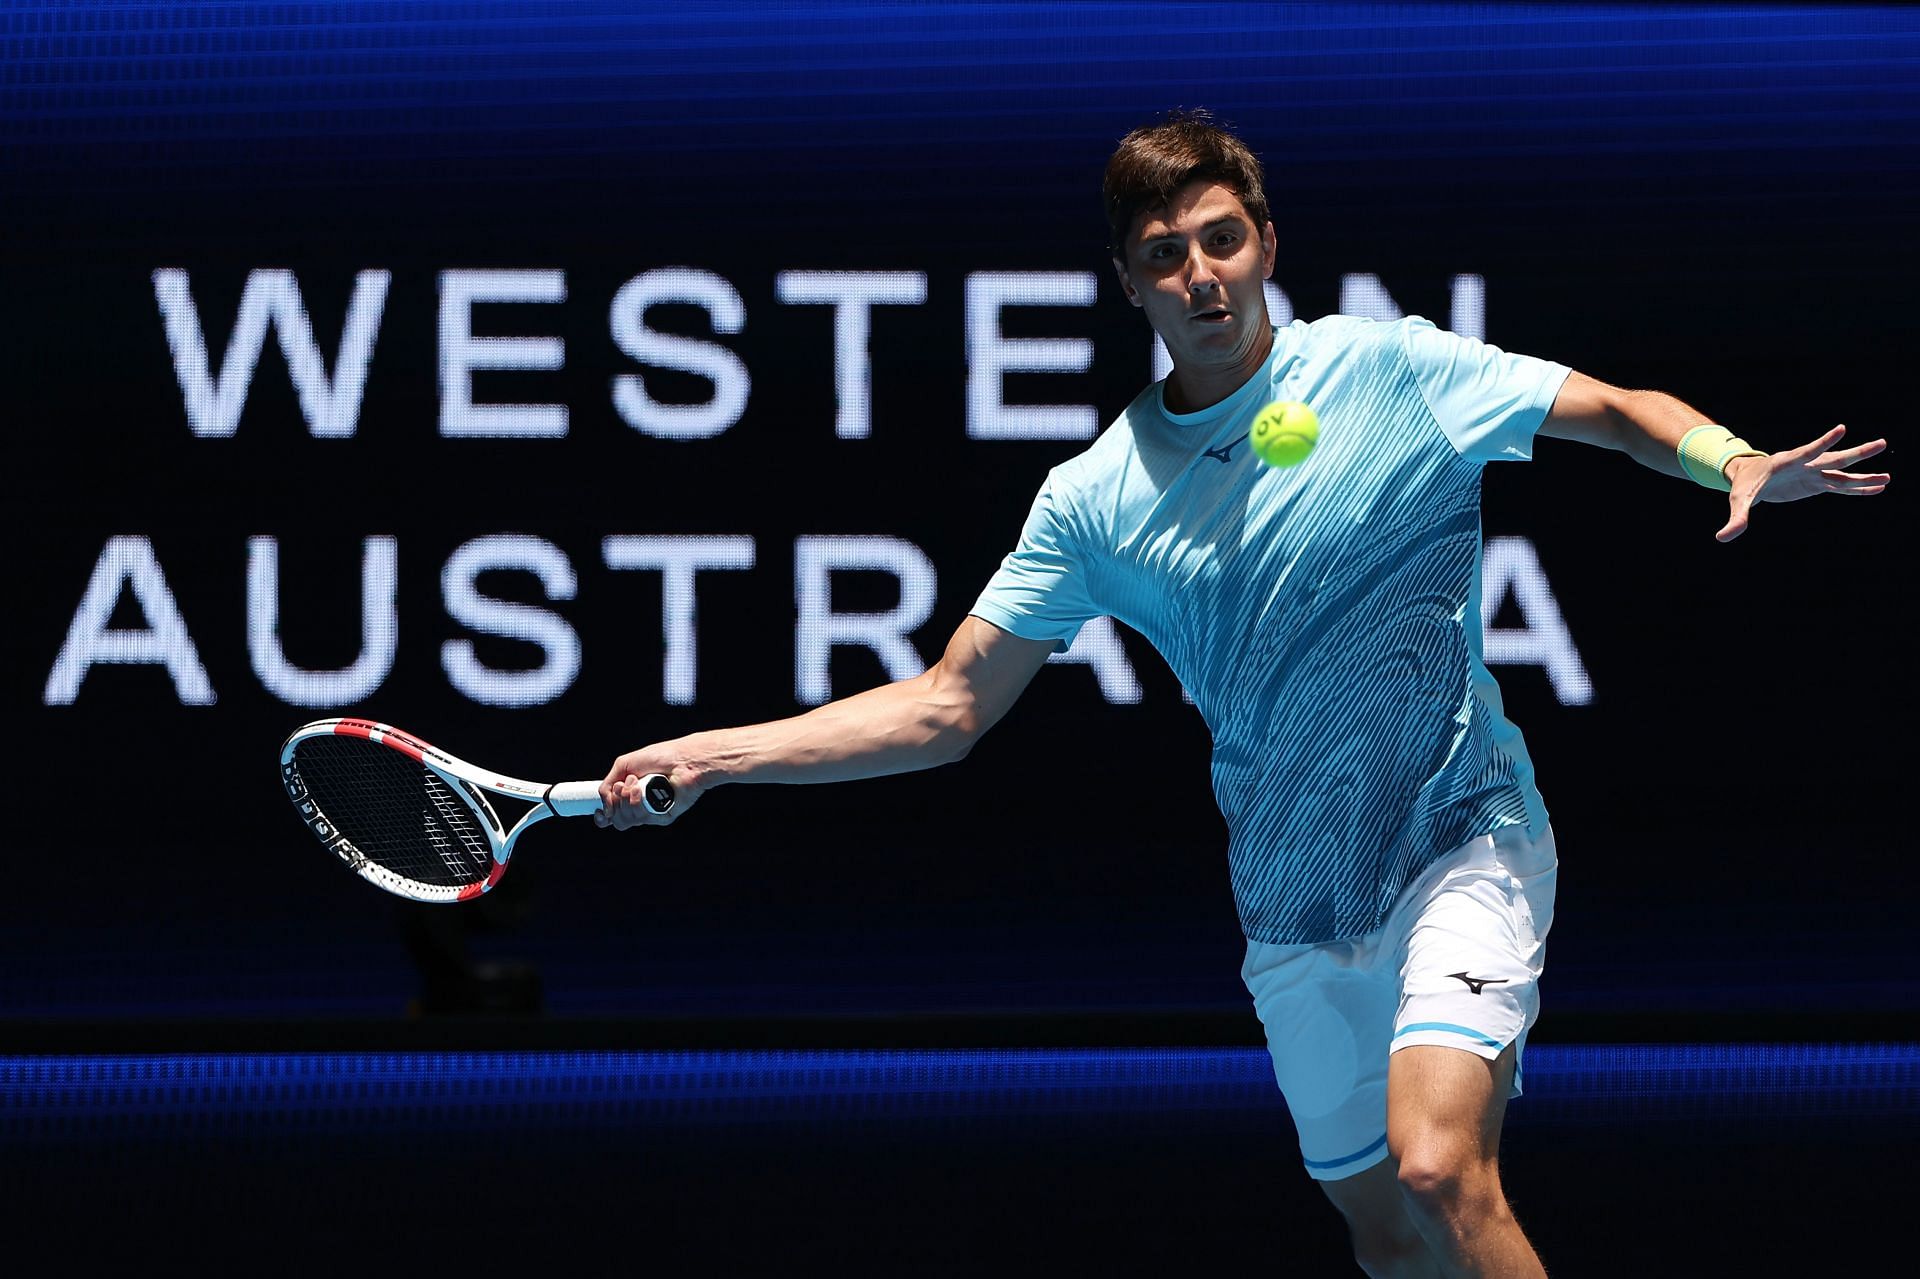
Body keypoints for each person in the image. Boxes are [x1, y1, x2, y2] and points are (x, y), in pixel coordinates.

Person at [594, 110, 1889, 1277]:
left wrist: (1731, 457)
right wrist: (718, 754)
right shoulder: (1095, 499)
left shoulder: (1395, 372)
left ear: (1266, 243)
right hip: (1291, 896)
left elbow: (1608, 410)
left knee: (1440, 1166)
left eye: (1222, 240)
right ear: (1130, 285)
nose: (1200, 274)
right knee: (1384, 1227)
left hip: (1462, 835)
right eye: (1166, 255)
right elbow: (946, 707)